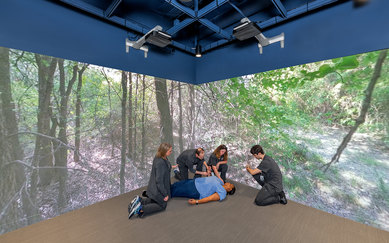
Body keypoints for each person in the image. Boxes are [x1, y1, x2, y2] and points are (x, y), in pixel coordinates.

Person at [128, 143, 173, 218]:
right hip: (158, 189)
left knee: (155, 200)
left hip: (153, 188)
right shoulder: (160, 163)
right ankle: (140, 209)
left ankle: (140, 201)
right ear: (164, 151)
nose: (171, 152)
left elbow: (165, 166)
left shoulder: (159, 157)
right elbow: (159, 181)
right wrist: (165, 194)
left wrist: (171, 167)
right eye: (170, 151)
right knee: (162, 205)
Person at [171, 176, 235, 205]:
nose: (230, 183)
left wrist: (196, 202)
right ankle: (163, 189)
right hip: (195, 181)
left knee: (175, 191)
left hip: (196, 190)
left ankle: (163, 196)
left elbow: (210, 198)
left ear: (230, 189)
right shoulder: (221, 182)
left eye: (231, 184)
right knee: (175, 185)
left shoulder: (222, 192)